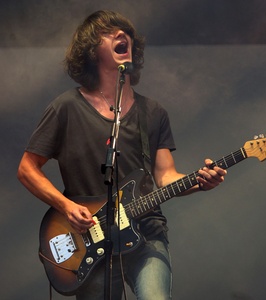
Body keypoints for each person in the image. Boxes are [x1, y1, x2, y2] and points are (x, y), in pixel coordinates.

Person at [17, 10, 227, 300]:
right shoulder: (65, 108)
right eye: (108, 32)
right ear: (90, 50)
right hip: (89, 239)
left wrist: (200, 181)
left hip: (146, 232)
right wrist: (66, 207)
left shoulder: (152, 112)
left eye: (125, 32)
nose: (121, 35)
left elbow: (166, 176)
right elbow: (27, 169)